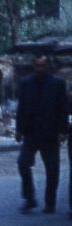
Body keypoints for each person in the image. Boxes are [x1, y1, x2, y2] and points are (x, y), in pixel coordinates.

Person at [15, 54, 69, 214]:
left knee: (52, 169)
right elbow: (21, 108)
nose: (40, 69)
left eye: (42, 66)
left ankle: (50, 202)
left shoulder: (57, 84)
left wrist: (63, 131)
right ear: (34, 66)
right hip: (31, 132)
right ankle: (29, 198)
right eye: (37, 66)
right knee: (23, 163)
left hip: (50, 133)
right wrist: (18, 130)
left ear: (47, 67)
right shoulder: (26, 83)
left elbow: (63, 109)